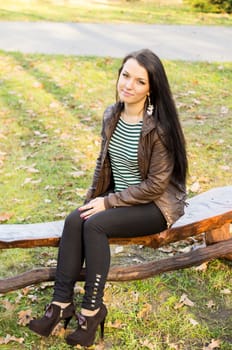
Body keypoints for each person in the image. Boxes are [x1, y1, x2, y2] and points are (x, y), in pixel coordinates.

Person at [29, 48, 188, 347]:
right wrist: (91, 199)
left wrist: (107, 203)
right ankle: (61, 303)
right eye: (125, 75)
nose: (128, 85)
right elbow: (103, 164)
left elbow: (155, 185)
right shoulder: (112, 115)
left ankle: (92, 310)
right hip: (120, 198)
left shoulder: (159, 129)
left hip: (155, 205)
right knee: (75, 220)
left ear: (151, 88)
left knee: (95, 225)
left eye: (140, 81)